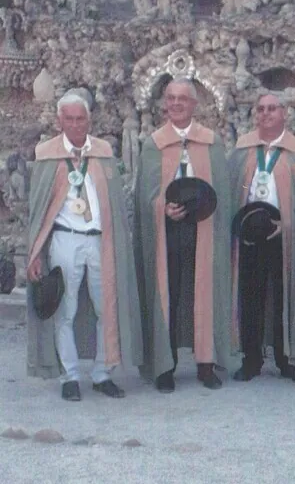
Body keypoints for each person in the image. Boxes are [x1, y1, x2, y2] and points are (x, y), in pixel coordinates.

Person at [26, 93, 143, 401]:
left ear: (89, 121)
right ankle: (70, 375)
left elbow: (115, 204)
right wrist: (37, 252)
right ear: (59, 120)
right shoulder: (46, 153)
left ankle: (103, 373)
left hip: (99, 239)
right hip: (65, 238)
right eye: (70, 119)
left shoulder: (103, 152)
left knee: (107, 306)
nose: (75, 125)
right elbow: (38, 209)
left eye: (81, 119)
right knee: (66, 309)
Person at [133, 79, 232, 392]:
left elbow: (224, 192)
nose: (176, 104)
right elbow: (144, 194)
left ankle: (205, 364)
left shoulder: (211, 143)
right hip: (168, 230)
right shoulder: (153, 144)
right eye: (170, 98)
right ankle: (166, 365)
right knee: (169, 293)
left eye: (182, 99)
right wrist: (161, 208)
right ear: (165, 103)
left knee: (203, 291)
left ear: (194, 104)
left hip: (204, 228)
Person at [229, 93, 295, 383]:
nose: (265, 114)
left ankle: (285, 358)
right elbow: (231, 189)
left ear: (284, 113)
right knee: (249, 295)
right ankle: (251, 358)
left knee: (283, 297)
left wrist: (290, 223)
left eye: (272, 109)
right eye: (261, 109)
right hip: (250, 232)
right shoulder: (243, 149)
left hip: (283, 234)